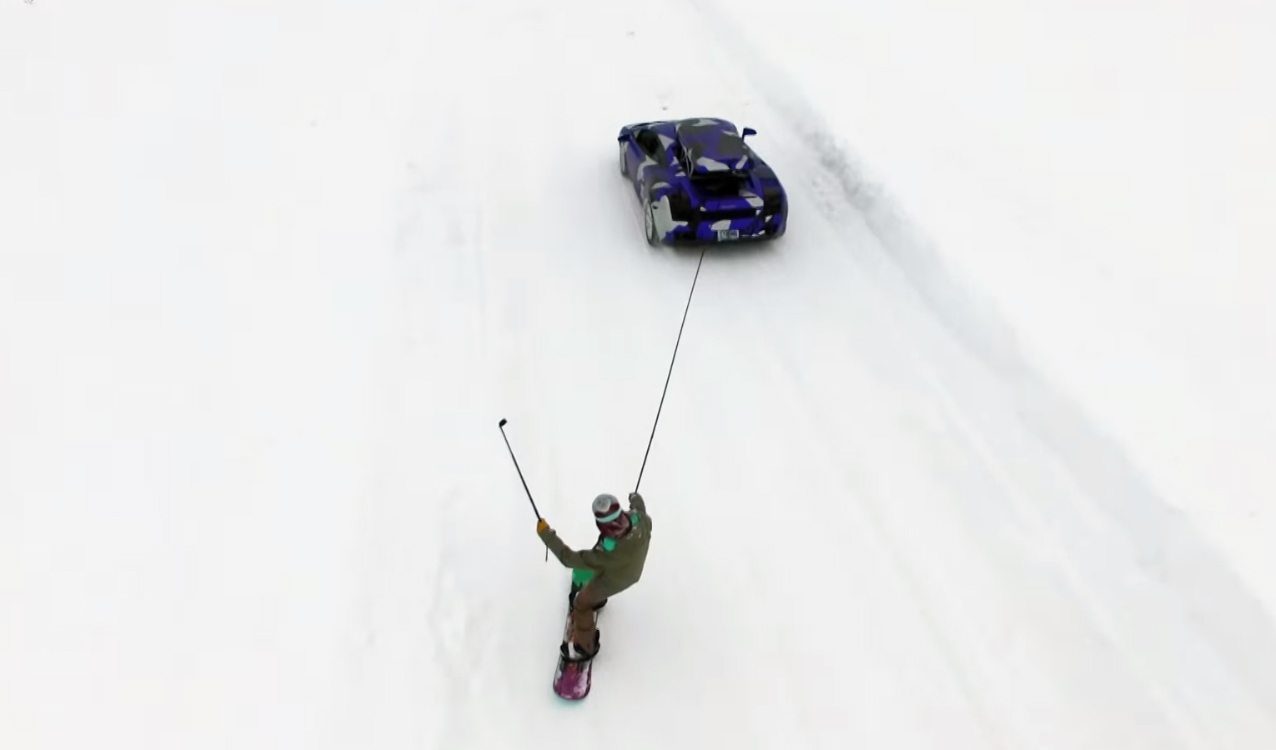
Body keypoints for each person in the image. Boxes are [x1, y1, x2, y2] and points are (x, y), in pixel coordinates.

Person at [537, 491, 652, 661]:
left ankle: (585, 647)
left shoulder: (606, 552)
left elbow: (568, 559)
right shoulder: (642, 521)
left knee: (581, 603)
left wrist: (546, 534)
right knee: (598, 572)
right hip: (631, 569)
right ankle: (597, 598)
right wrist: (635, 498)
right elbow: (639, 508)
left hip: (617, 578)